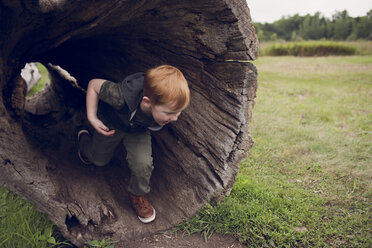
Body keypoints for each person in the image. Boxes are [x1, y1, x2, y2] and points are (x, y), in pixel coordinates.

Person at [77, 65, 190, 223]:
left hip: (138, 131)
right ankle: (83, 140)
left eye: (179, 112)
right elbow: (94, 85)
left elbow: (164, 115)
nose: (175, 118)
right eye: (170, 113)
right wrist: (92, 117)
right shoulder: (120, 96)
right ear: (147, 102)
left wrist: (168, 113)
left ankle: (137, 194)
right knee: (98, 160)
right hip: (112, 125)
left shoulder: (161, 106)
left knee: (143, 164)